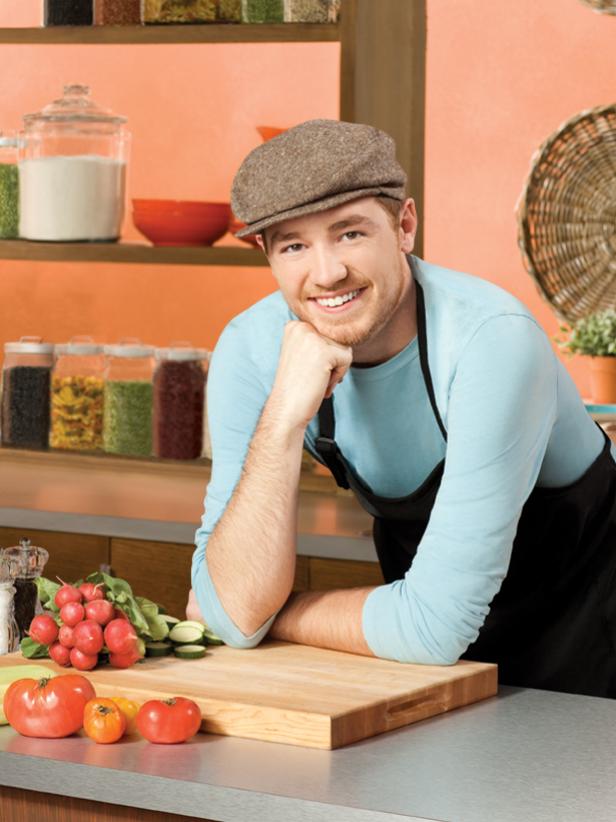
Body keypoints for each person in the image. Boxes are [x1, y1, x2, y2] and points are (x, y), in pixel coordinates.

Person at [187, 119, 616, 698]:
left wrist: (275, 614)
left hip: (594, 639)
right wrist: (285, 417)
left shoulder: (491, 339)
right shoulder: (252, 349)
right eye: (293, 245)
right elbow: (232, 609)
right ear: (266, 254)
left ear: (404, 227)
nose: (326, 272)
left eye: (349, 234)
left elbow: (434, 625)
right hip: (433, 672)